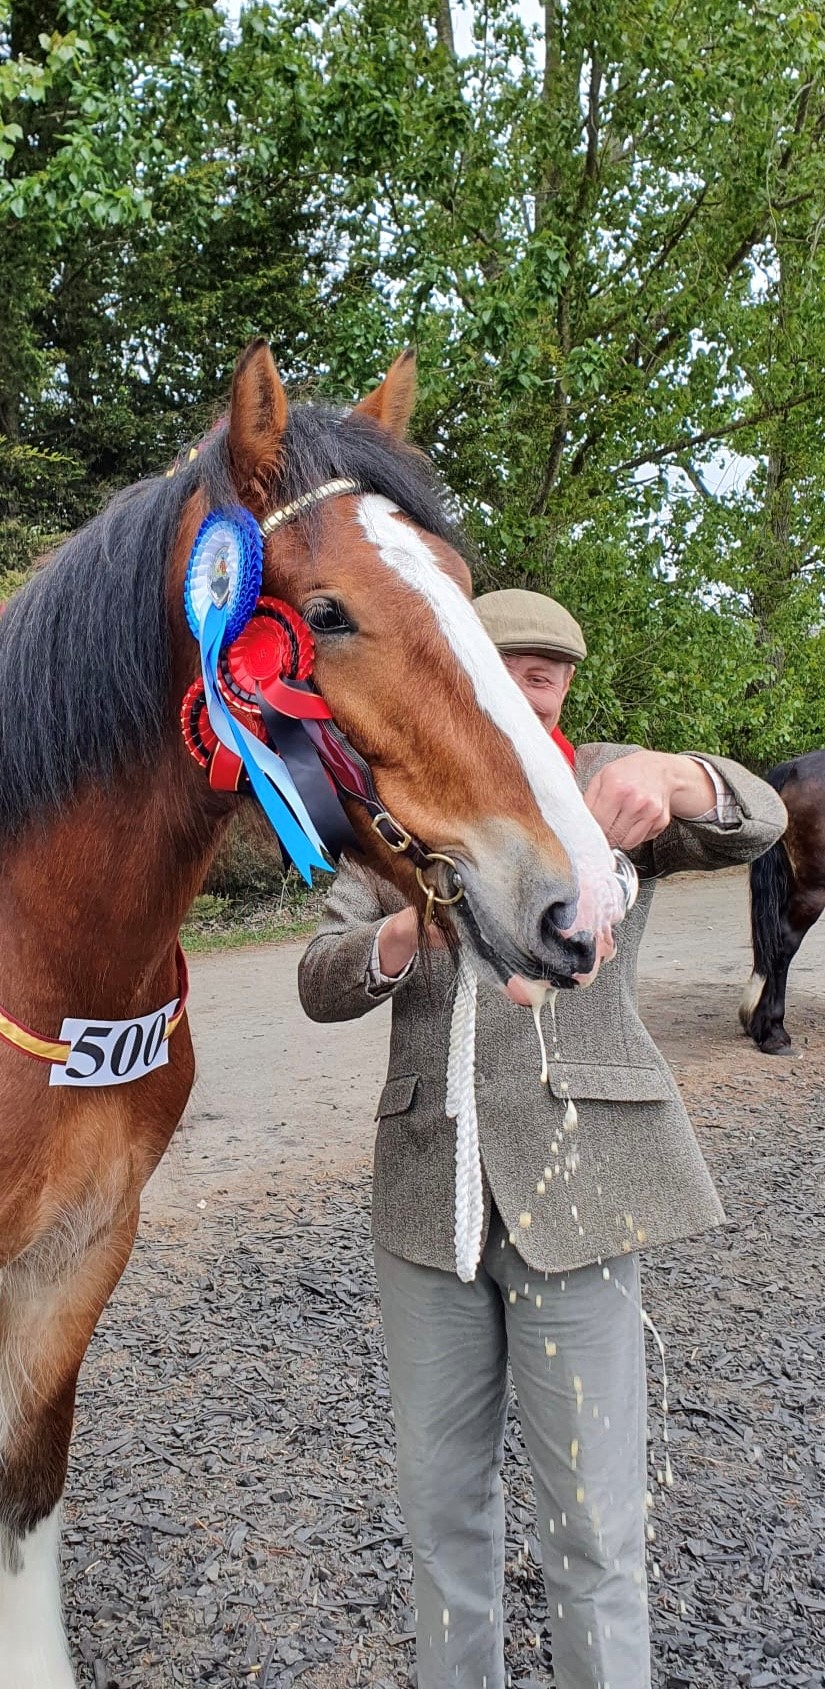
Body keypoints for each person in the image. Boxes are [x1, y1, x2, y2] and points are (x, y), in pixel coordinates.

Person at [296, 589, 786, 1689]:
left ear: (567, 688)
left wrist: (673, 775)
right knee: (440, 1515)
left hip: (585, 1195)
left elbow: (757, 816)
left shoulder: (599, 791)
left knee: (596, 1528)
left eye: (546, 672)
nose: (526, 686)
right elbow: (319, 981)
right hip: (430, 1208)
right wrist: (402, 926)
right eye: (500, 664)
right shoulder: (397, 809)